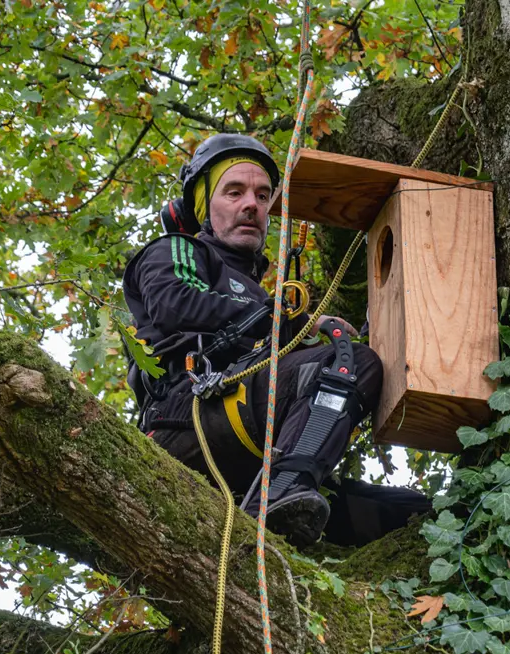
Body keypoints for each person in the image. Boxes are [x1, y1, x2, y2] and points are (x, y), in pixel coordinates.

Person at [122, 133, 429, 546]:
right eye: (234, 192)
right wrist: (285, 320)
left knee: (407, 514)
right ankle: (278, 497)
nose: (252, 204)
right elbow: (175, 302)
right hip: (188, 419)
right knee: (350, 361)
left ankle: (283, 497)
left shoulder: (262, 298)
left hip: (246, 453)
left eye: (263, 195)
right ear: (202, 206)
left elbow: (297, 374)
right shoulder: (177, 250)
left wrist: (303, 332)